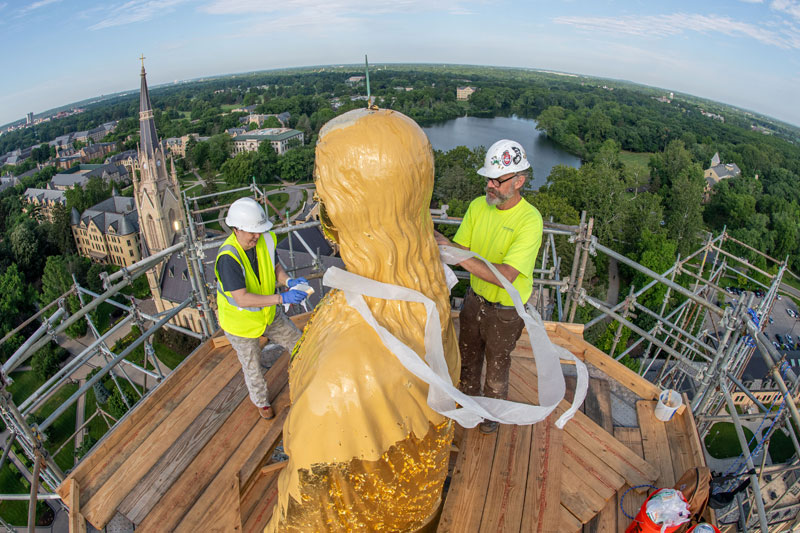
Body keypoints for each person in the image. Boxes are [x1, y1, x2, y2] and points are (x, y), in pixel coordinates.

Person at [435, 139, 543, 434]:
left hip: (505, 311)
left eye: (498, 179)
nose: (490, 185)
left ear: (519, 181)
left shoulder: (529, 221)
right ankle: (469, 407)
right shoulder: (477, 206)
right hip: (475, 300)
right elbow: (462, 249)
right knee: (467, 357)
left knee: (496, 365)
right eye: (488, 179)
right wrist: (439, 241)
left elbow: (506, 275)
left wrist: (455, 253)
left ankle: (491, 415)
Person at [214, 197, 308, 420]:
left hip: (268, 313)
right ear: (236, 229)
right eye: (251, 232)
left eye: (258, 231)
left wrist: (288, 281)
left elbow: (275, 267)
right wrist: (281, 298)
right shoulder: (228, 258)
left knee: (299, 343)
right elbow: (242, 299)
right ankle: (262, 402)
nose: (257, 236)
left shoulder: (265, 240)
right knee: (253, 366)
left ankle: (308, 376)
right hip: (241, 324)